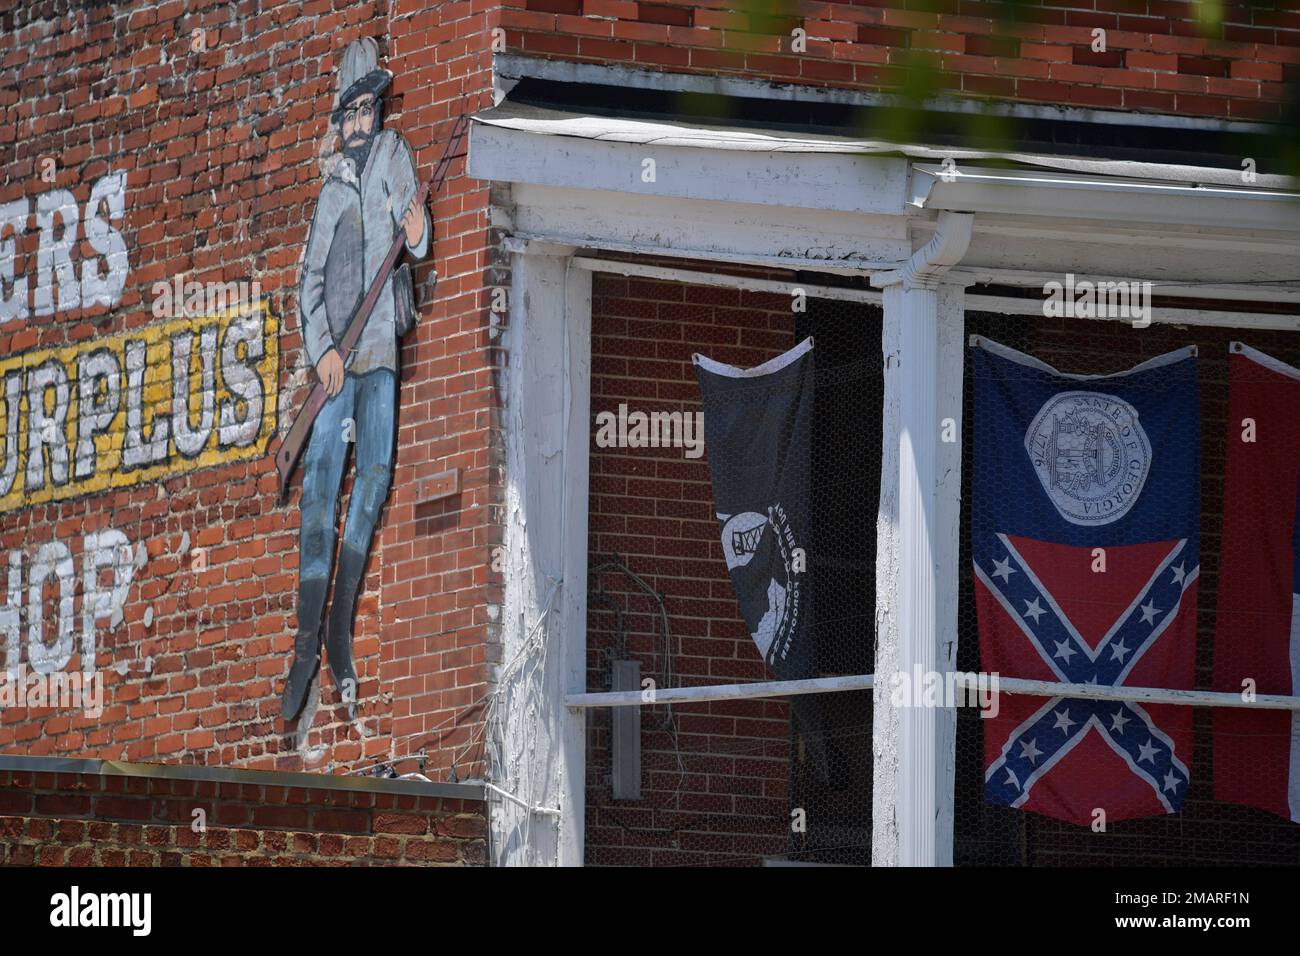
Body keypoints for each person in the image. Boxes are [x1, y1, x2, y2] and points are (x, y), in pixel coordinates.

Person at [282, 36, 429, 721]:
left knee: (373, 476)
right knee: (319, 487)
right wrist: (321, 356)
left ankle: (341, 631)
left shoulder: (395, 158)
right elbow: (308, 284)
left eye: (370, 107)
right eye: (353, 111)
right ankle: (306, 642)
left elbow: (416, 237)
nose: (363, 120)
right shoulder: (330, 189)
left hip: (381, 354)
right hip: (339, 365)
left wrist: (419, 226)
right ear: (340, 120)